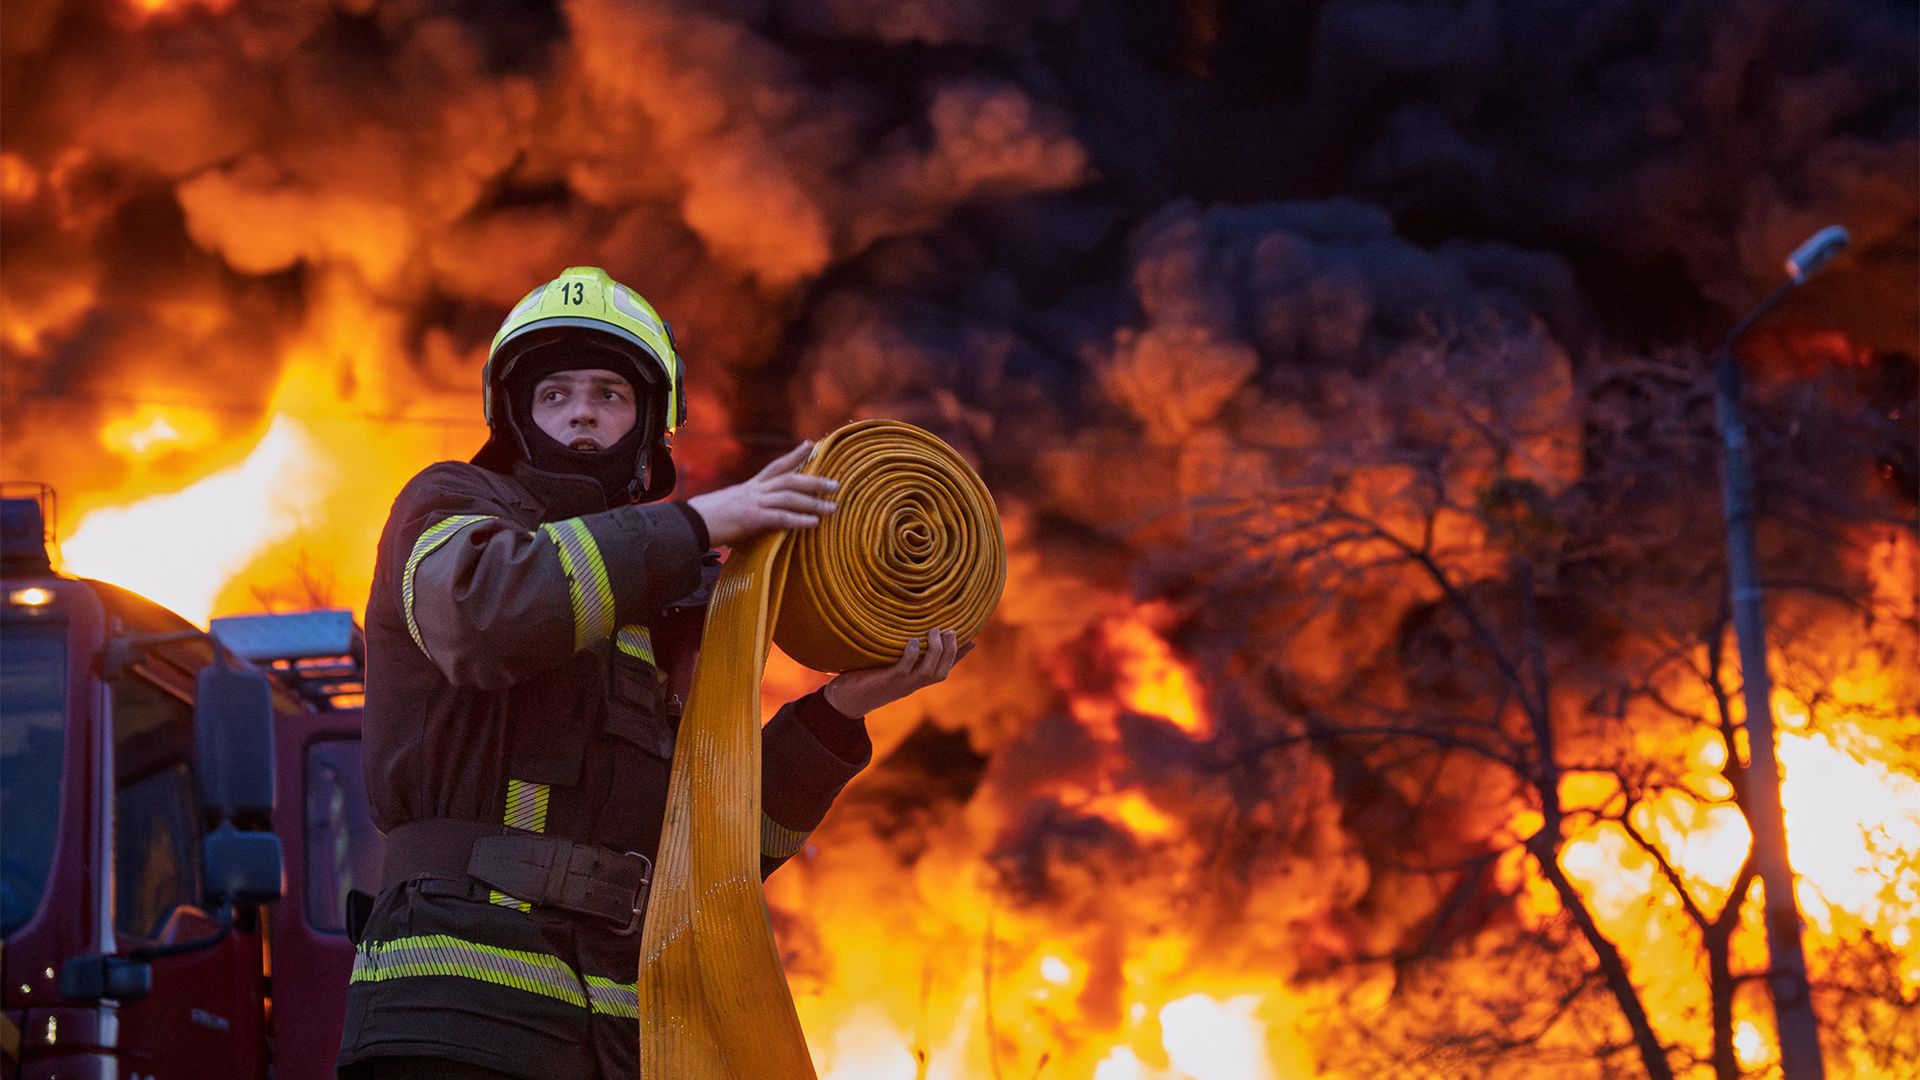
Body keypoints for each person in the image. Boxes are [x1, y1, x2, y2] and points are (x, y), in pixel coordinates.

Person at [336, 267, 968, 1079]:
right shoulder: (451, 507)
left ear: (648, 425)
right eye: (554, 394)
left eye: (609, 394)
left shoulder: (677, 604)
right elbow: (486, 617)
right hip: (452, 1022)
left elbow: (715, 850)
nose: (583, 415)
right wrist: (699, 523)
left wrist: (841, 709)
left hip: (624, 1039)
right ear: (514, 417)